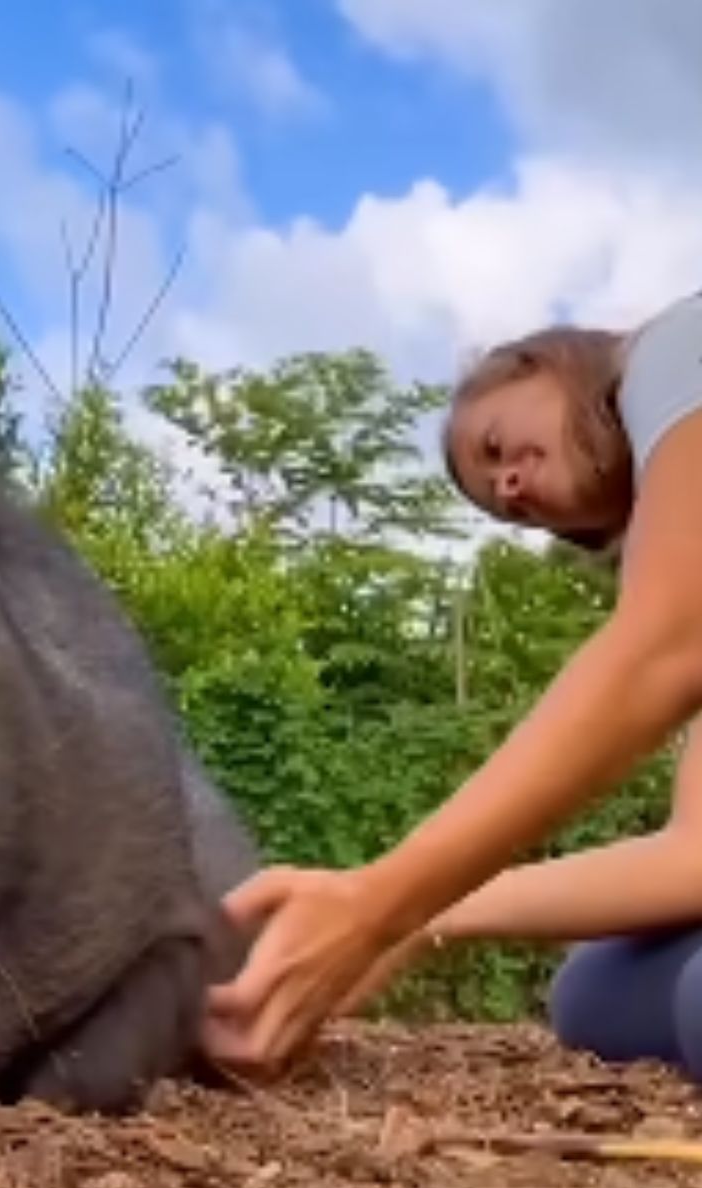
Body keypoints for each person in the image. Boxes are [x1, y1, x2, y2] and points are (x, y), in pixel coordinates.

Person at [200, 288, 702, 1083]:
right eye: (504, 505)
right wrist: (422, 917)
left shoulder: (677, 348)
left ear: (539, 366)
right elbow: (694, 855)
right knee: (600, 998)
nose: (509, 489)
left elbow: (667, 643)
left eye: (497, 443)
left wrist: (381, 899)